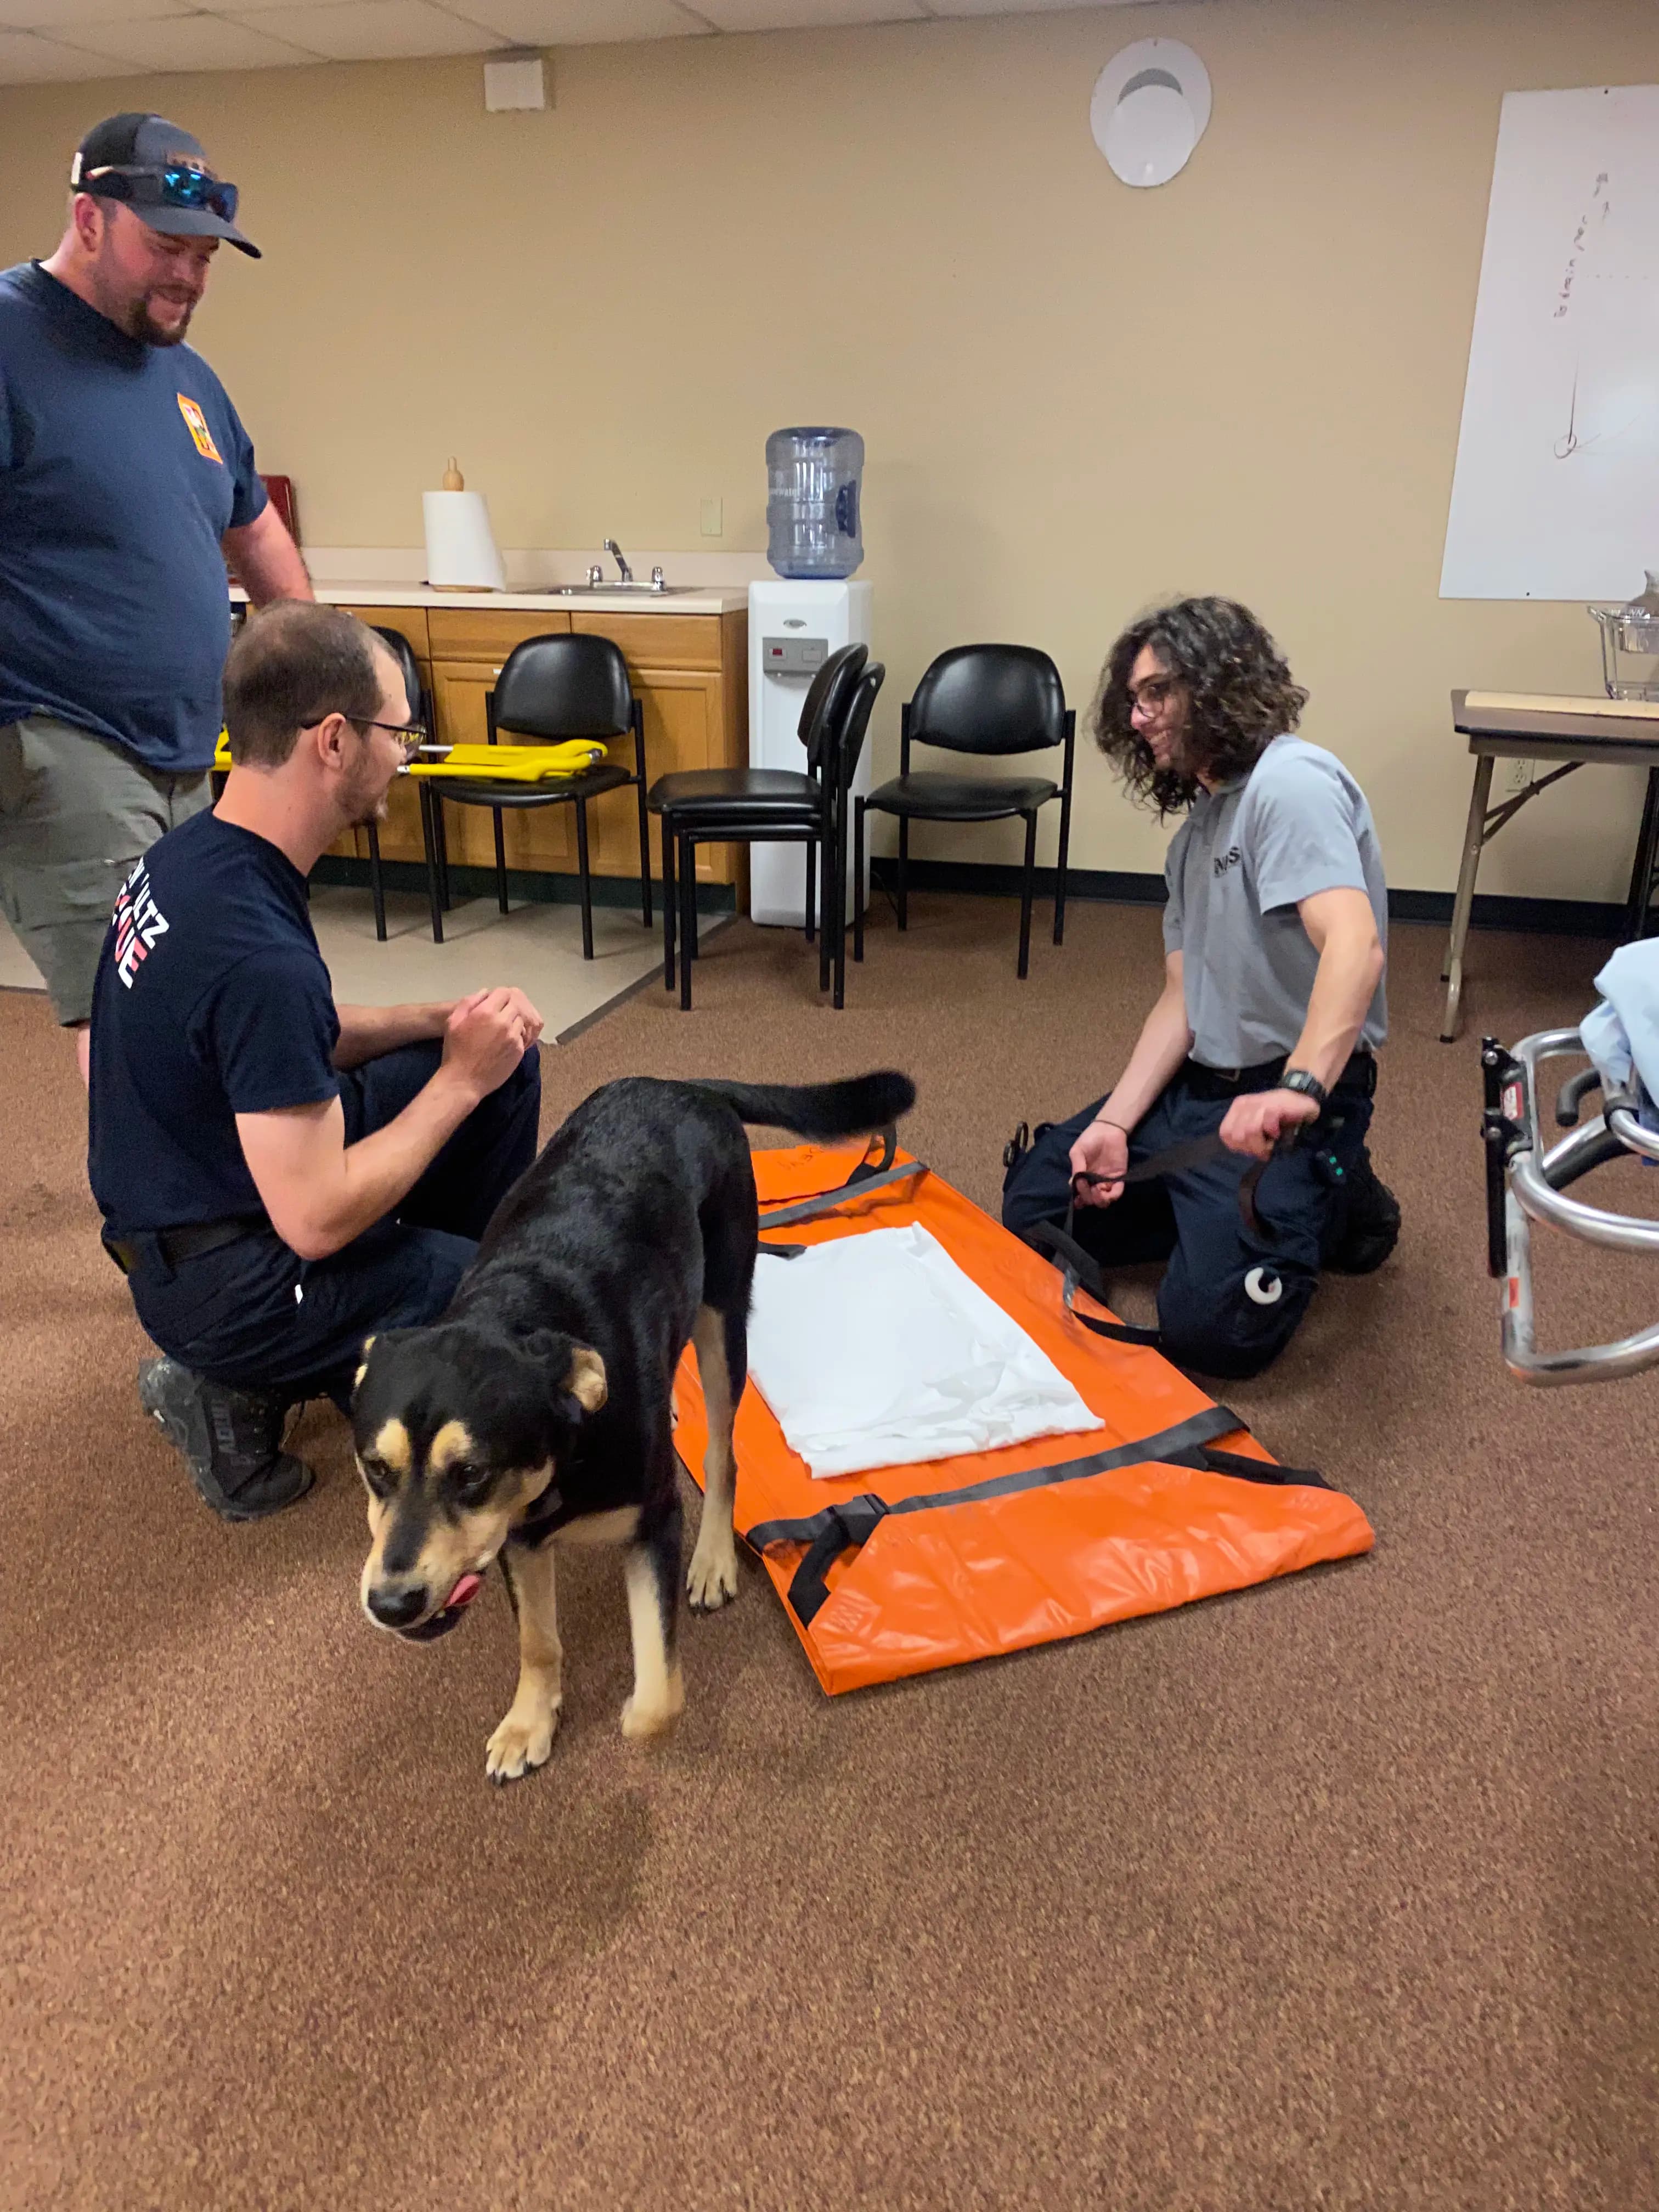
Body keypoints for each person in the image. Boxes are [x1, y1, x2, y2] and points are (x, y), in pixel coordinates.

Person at [88, 603, 545, 1521]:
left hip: (197, 1201)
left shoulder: (196, 858)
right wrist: (454, 1078)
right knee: (515, 1310)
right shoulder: (257, 952)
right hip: (228, 1281)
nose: (406, 756)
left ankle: (391, 1327)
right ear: (333, 741)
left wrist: (440, 1025)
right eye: (398, 732)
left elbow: (284, 1039)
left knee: (504, 1067)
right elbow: (319, 1218)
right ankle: (241, 1381)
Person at [1002, 596, 1400, 1380]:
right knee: (1037, 1198)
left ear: (1218, 685)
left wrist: (1298, 1089)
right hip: (1202, 1091)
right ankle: (1216, 1201)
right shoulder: (1196, 837)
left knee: (1213, 1334)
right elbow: (1182, 999)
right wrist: (1116, 1123)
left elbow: (1356, 946)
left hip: (1291, 1100)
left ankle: (1339, 1196)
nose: (1140, 716)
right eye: (1133, 700)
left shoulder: (1292, 785)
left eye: (1159, 693)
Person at [0, 111, 311, 1087]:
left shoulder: (187, 380)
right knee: (129, 1003)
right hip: (62, 737)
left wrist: (322, 677)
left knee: (192, 983)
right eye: (165, 247)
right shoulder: (9, 339)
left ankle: (202, 1199)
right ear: (89, 219)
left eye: (206, 256)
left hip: (184, 747)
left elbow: (251, 525)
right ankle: (165, 1226)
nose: (189, 276)